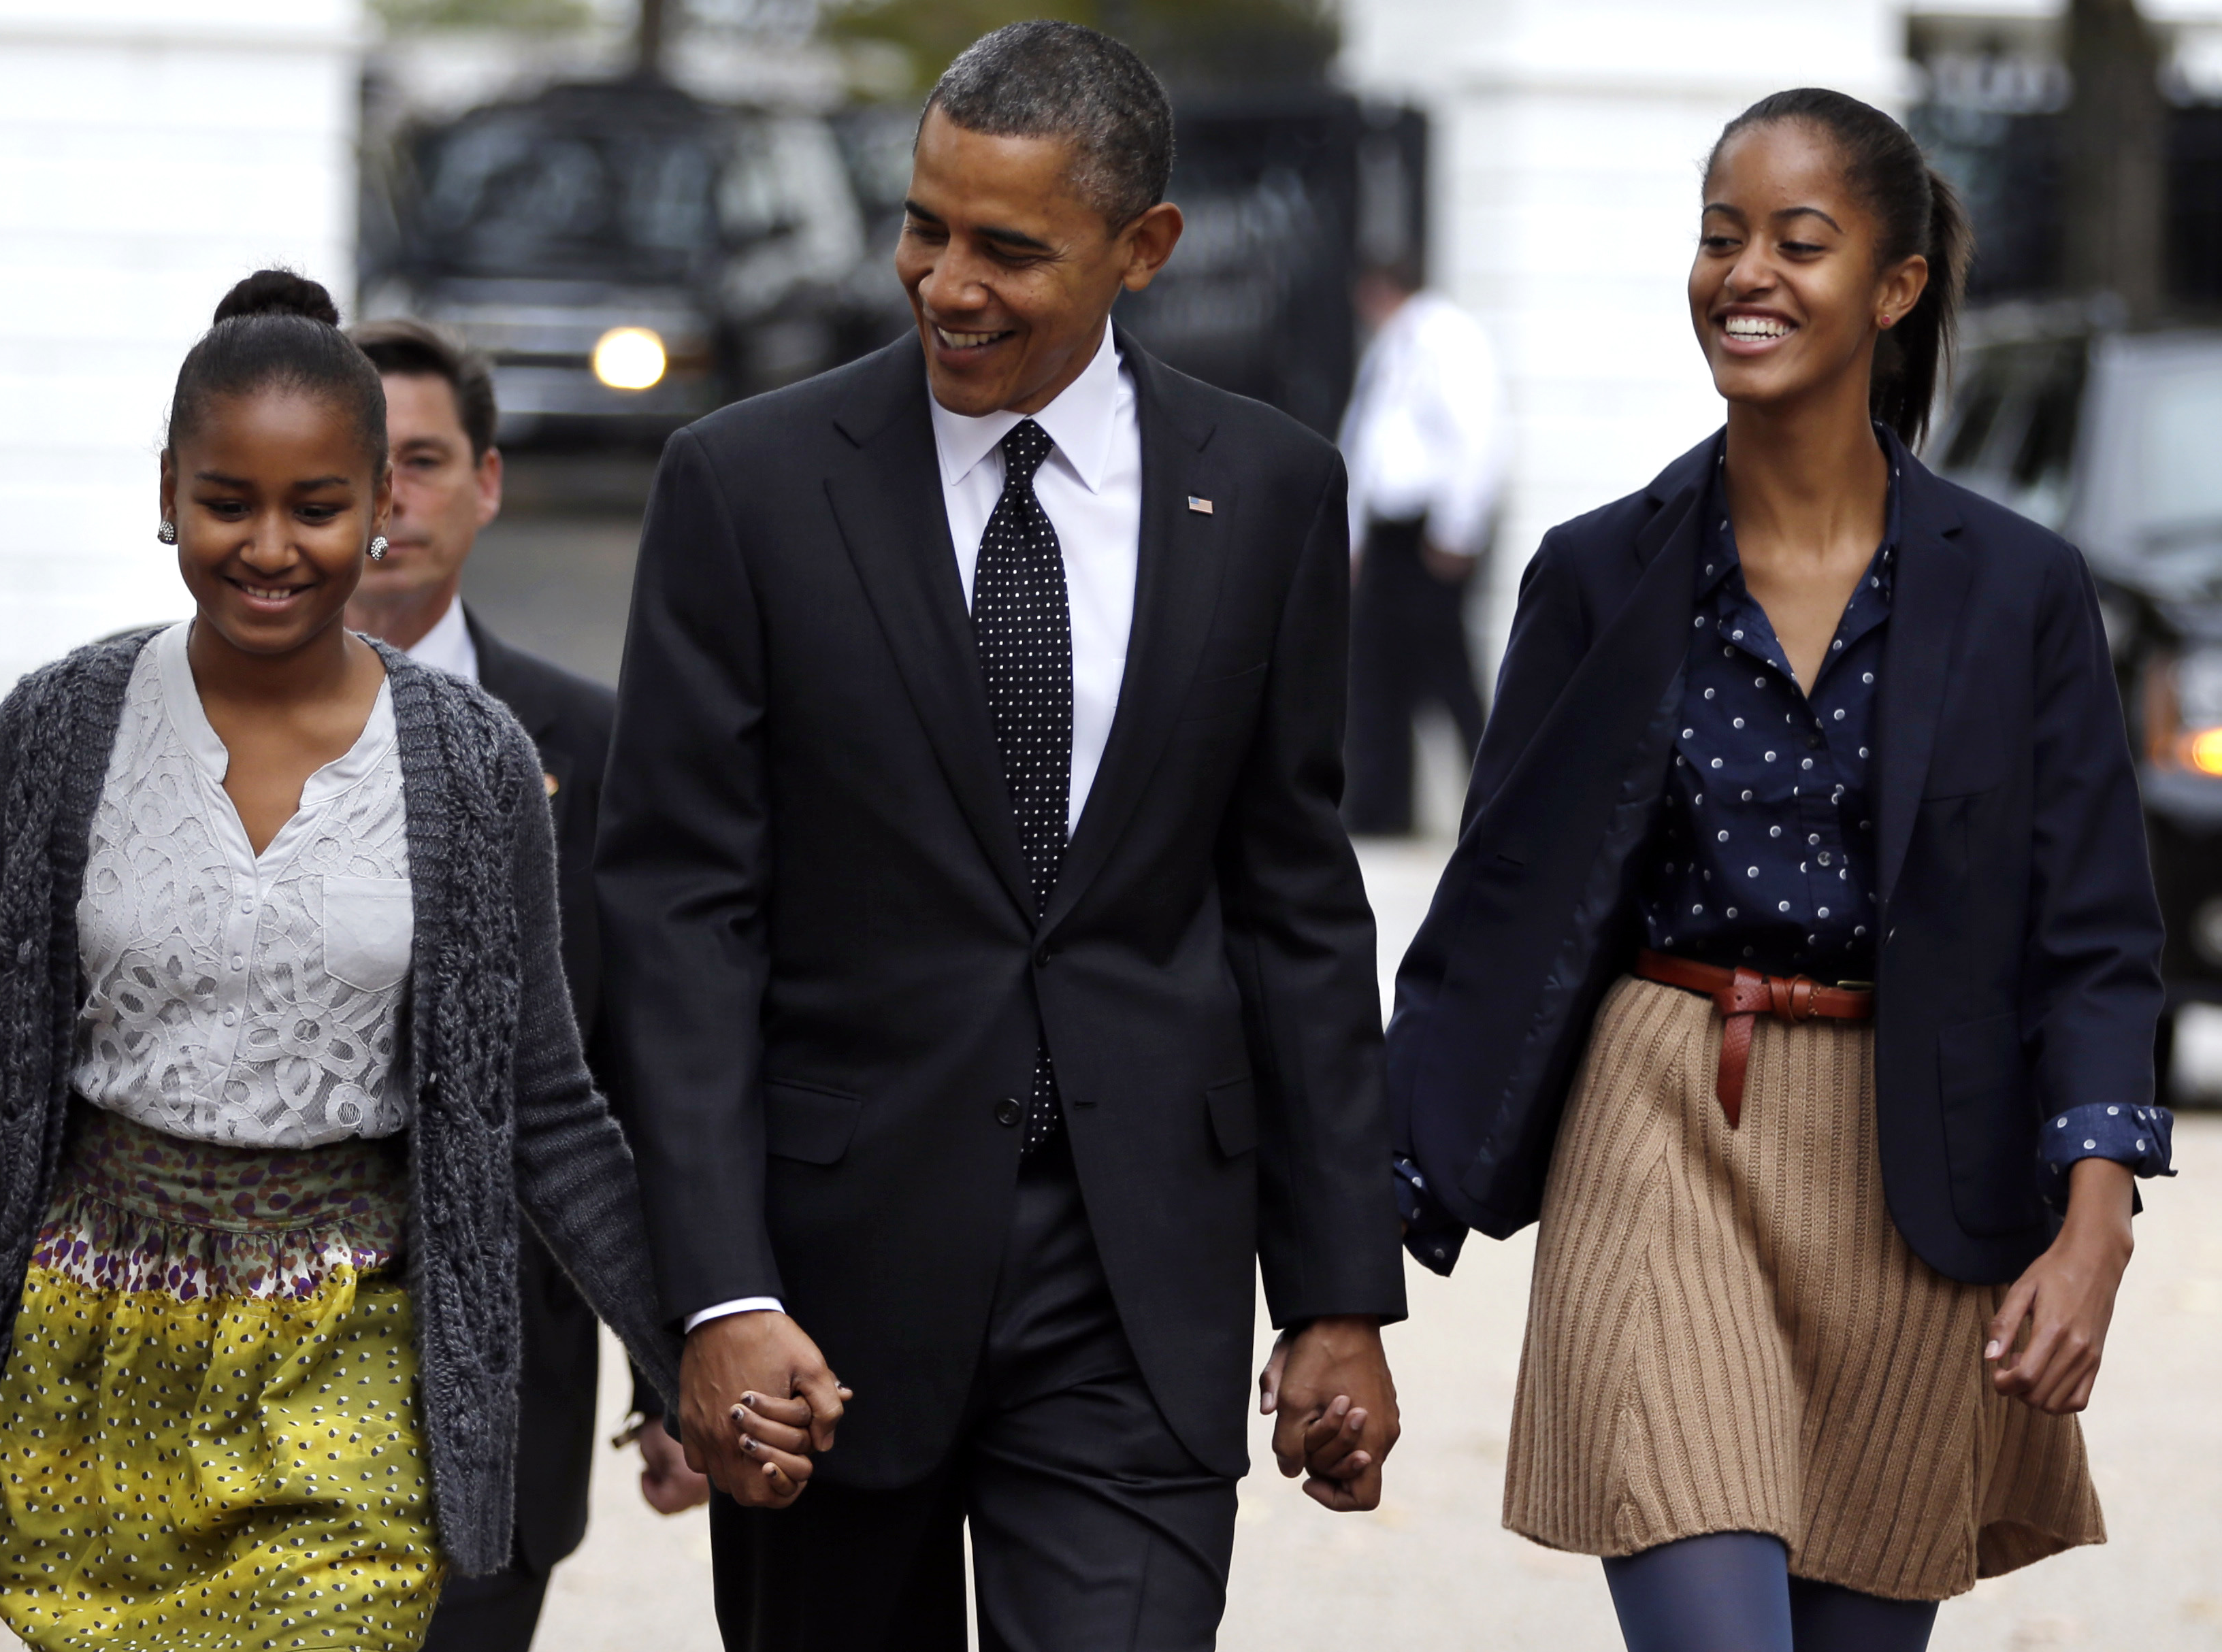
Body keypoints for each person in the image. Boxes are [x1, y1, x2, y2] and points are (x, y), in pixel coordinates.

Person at [598, 22, 1407, 1651]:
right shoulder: (744, 487)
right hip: (827, 1293)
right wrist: (718, 1291)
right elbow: (679, 916)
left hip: (1136, 1280)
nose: (945, 283)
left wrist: (1336, 1290)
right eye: (924, 227)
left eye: (1008, 249)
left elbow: (1292, 905)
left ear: (1142, 247)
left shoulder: (1267, 491)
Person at [1385, 89, 2172, 1652]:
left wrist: (2094, 1219)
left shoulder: (2020, 591)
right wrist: (1351, 1266)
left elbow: (2092, 930)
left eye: (1796, 242)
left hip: (1921, 1159)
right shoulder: (1596, 571)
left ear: (1894, 285)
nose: (1743, 272)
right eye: (1719, 236)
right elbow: (1492, 914)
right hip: (1664, 1122)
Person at [0, 270, 681, 1650]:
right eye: (228, 501)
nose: (270, 546)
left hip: (347, 1366)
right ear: (167, 493)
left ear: (378, 506)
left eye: (316, 506)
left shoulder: (473, 763)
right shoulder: (57, 730)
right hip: (90, 1374)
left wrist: (690, 1345)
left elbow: (543, 1104)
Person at [342, 316, 708, 1652]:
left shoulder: (587, 742)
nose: (389, 496)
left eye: (422, 459)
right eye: (356, 461)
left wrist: (672, 1362)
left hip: (502, 1386)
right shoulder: (182, 726)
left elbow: (630, 1066)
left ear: (487, 481)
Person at [1335, 258, 1506, 836]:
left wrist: (1457, 529)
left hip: (1428, 533)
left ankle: (1494, 800)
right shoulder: (1393, 346)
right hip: (1390, 534)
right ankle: (1380, 808)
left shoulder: (1445, 337)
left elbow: (1475, 435)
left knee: (1446, 668)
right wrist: (1355, 536)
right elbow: (1367, 445)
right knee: (1378, 671)